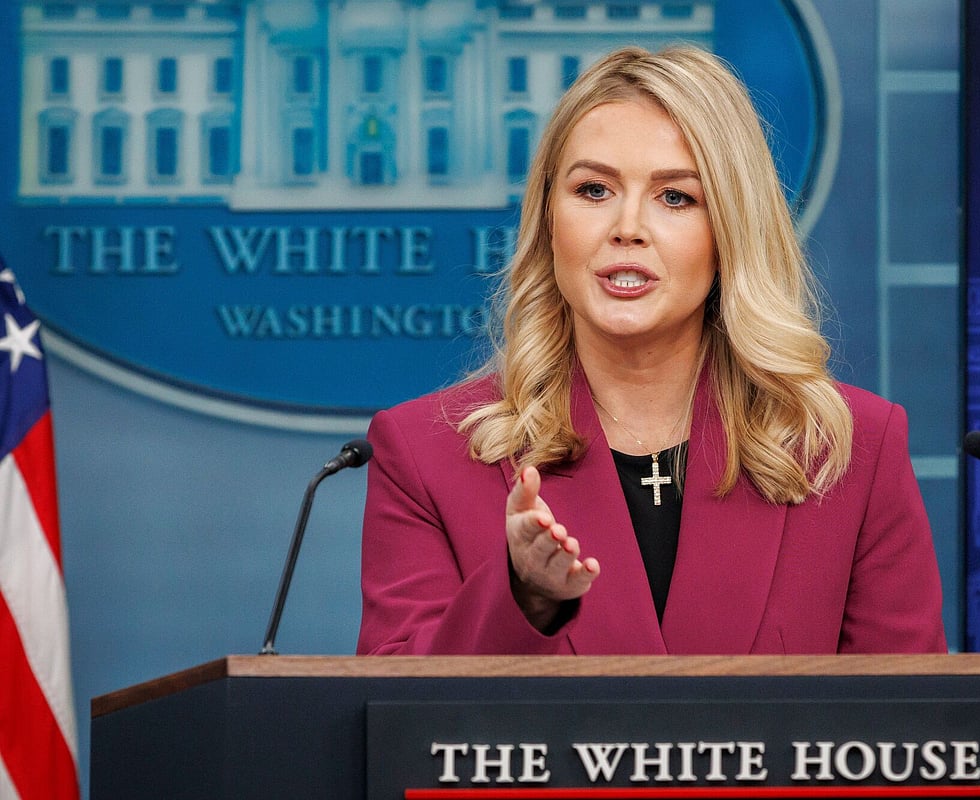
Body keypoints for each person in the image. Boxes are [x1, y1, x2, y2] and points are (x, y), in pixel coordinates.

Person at [357, 45, 946, 655]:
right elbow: (402, 728)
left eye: (675, 197)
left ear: (730, 231)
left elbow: (909, 728)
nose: (627, 226)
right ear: (547, 219)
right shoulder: (426, 455)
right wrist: (522, 598)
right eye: (593, 190)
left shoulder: (852, 450)